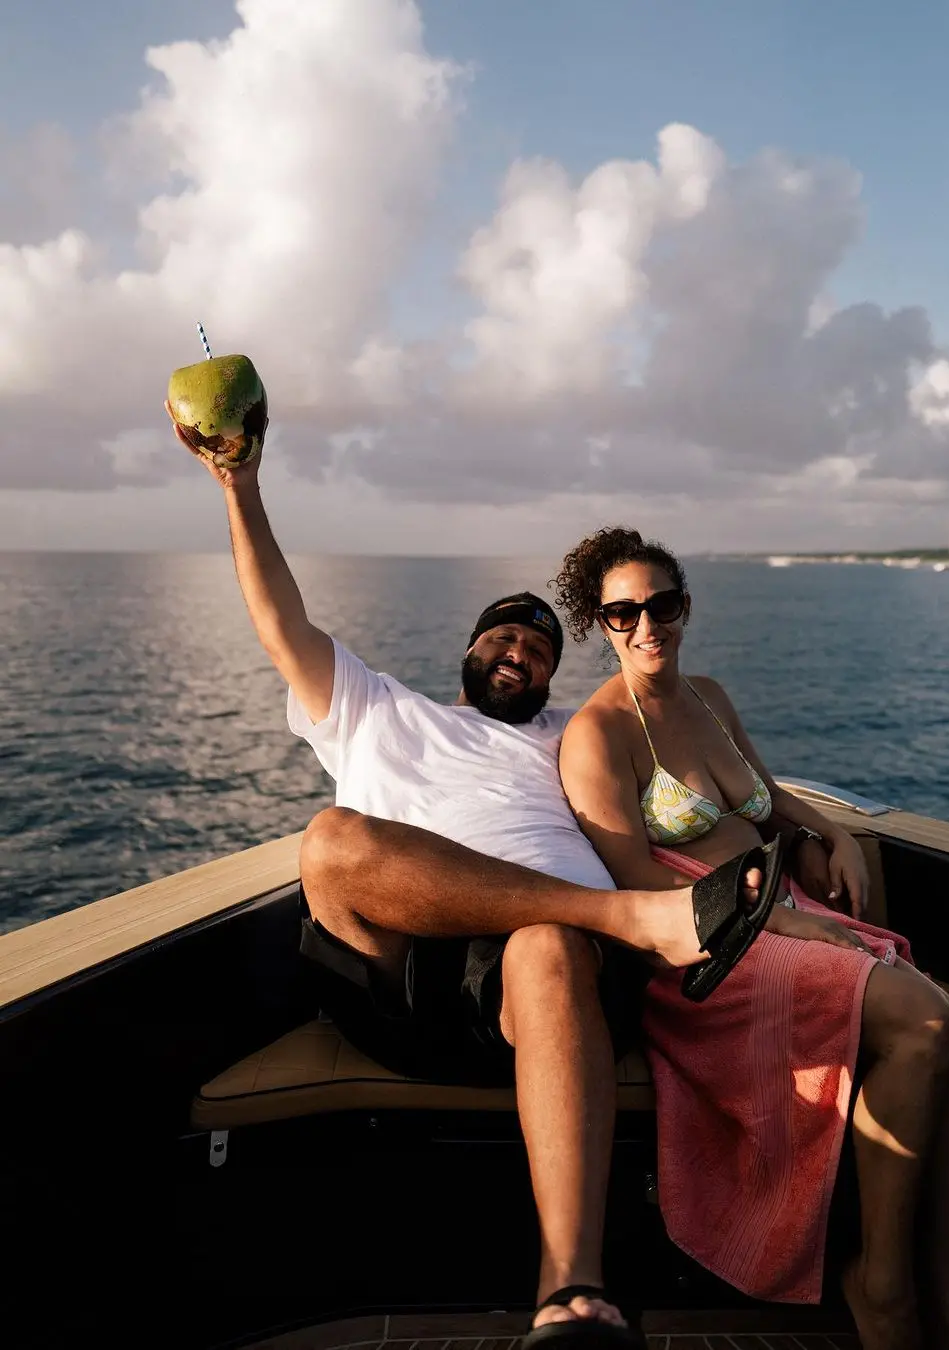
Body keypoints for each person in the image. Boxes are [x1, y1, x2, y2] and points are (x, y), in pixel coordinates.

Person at [170, 413, 786, 1348]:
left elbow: (681, 776)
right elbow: (277, 617)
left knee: (544, 946)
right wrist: (239, 487)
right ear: (470, 650)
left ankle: (572, 1296)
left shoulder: (569, 738)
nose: (521, 655)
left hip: (556, 981)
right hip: (406, 974)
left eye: (539, 651)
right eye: (505, 639)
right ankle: (629, 918)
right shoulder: (377, 706)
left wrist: (798, 830)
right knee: (331, 842)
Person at [553, 526, 949, 1350]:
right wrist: (791, 922)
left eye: (662, 604)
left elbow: (766, 798)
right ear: (599, 623)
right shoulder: (598, 735)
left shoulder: (710, 697)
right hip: (709, 950)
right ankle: (883, 1284)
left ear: (684, 608)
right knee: (930, 1027)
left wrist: (833, 829)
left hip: (784, 910)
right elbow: (634, 881)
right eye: (623, 613)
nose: (646, 625)